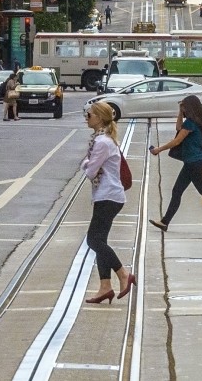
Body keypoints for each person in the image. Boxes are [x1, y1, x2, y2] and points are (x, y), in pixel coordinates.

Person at [80, 102, 135, 304]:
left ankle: (123, 274)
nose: (87, 118)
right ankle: (105, 287)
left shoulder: (102, 142)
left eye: (90, 115)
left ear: (100, 118)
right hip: (107, 195)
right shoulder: (102, 140)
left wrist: (85, 162)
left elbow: (90, 171)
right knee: (100, 240)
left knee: (93, 241)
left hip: (108, 196)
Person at [149, 95, 202, 232]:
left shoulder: (191, 124)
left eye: (185, 107)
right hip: (193, 162)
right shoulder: (196, 122)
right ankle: (165, 222)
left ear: (190, 107)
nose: (183, 109)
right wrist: (180, 112)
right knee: (179, 191)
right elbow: (178, 127)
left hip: (194, 163)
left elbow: (176, 141)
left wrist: (158, 149)